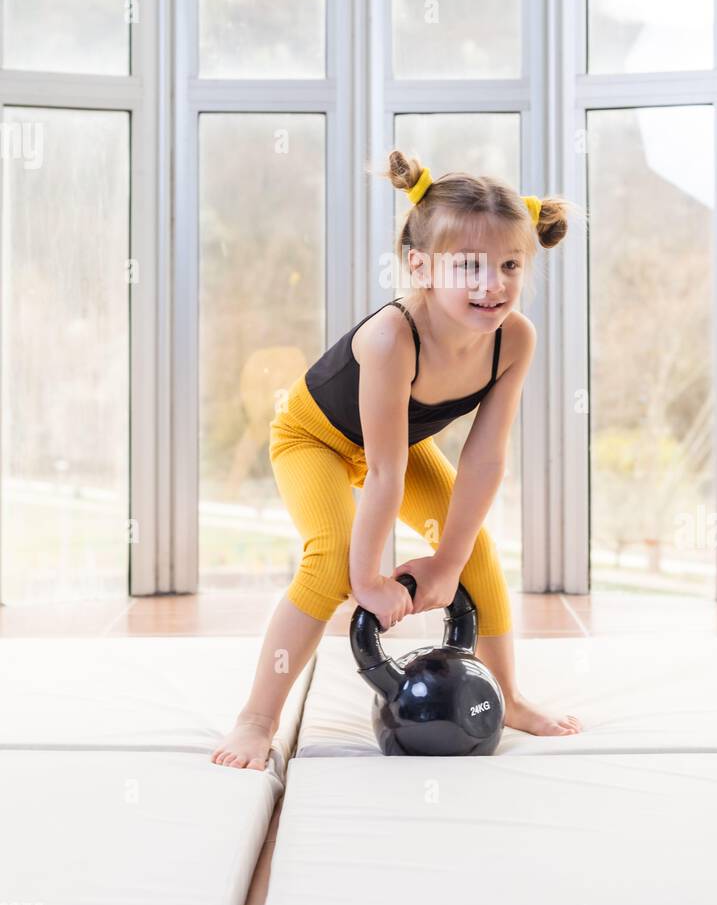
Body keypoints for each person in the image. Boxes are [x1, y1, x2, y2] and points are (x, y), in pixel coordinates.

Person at [211, 149, 582, 768]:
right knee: (331, 559)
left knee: (477, 556)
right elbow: (380, 471)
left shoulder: (515, 338)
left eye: (509, 265)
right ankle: (256, 718)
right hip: (317, 440)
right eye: (469, 266)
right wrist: (367, 582)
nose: (492, 285)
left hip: (399, 448)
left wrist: (448, 561)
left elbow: (486, 458)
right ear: (420, 266)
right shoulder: (391, 337)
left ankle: (509, 696)